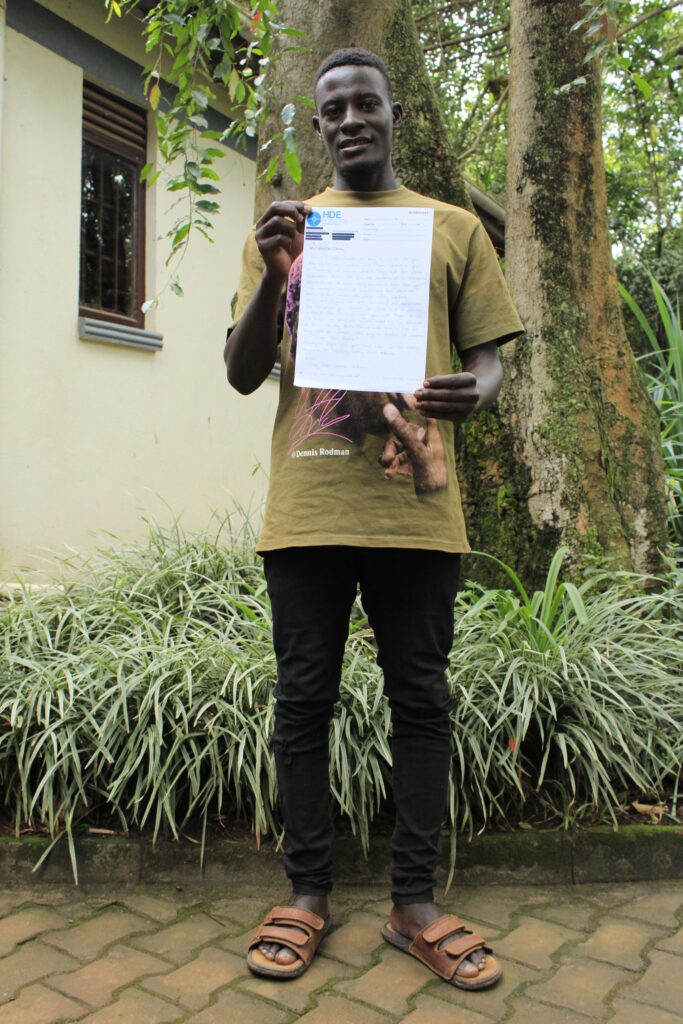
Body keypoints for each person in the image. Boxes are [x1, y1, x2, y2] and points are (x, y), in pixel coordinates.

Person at [225, 47, 524, 990]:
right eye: (333, 110)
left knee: (421, 704)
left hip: (416, 506)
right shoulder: (286, 228)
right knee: (302, 703)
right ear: (317, 127)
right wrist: (278, 272)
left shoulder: (451, 228)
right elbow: (238, 372)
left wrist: (472, 393)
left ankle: (414, 904)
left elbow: (492, 359)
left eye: (366, 104)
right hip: (308, 503)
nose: (351, 119)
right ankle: (307, 895)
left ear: (392, 114)